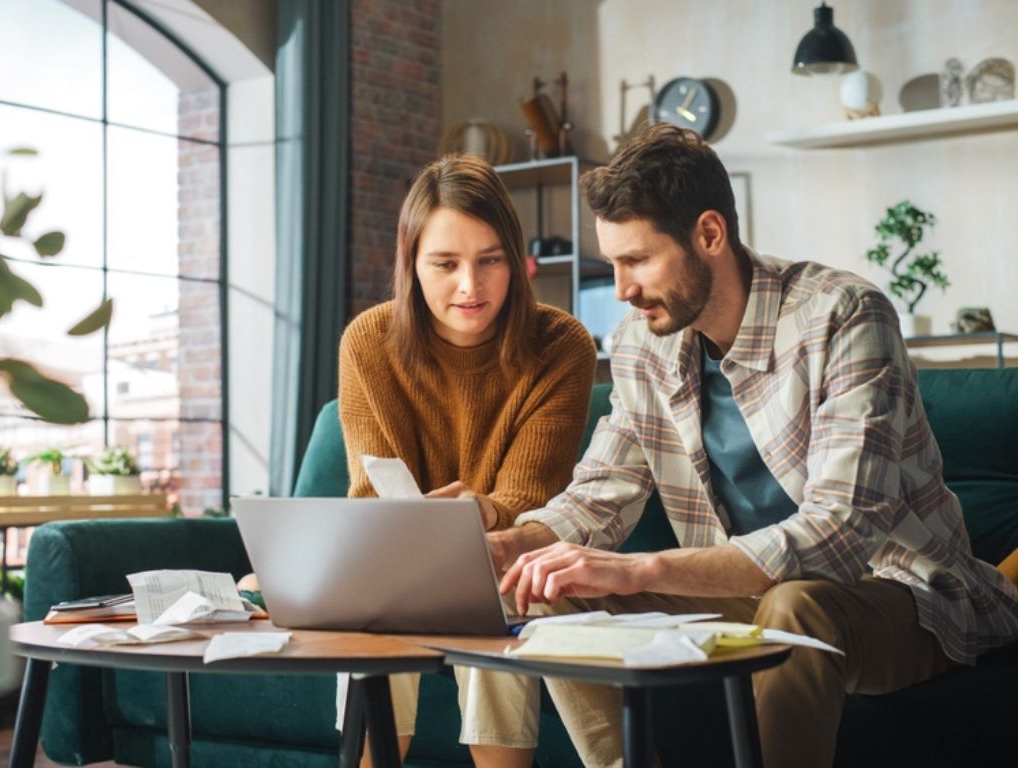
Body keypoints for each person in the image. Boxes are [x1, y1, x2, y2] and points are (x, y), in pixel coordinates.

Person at [486, 124, 1018, 768]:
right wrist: (512, 545)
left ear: (709, 234)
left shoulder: (844, 314)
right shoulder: (640, 344)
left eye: (638, 260)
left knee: (795, 605)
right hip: (742, 596)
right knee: (545, 583)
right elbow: (600, 494)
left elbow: (840, 531)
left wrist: (644, 568)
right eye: (614, 262)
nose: (621, 289)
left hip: (897, 591)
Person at [336, 153, 597, 767]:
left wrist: (483, 512)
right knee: (374, 598)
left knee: (495, 587)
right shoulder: (368, 342)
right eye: (445, 264)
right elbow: (372, 500)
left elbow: (533, 502)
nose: (470, 287)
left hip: (506, 559)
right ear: (412, 263)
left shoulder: (562, 344)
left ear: (517, 260)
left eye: (490, 260)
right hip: (396, 560)